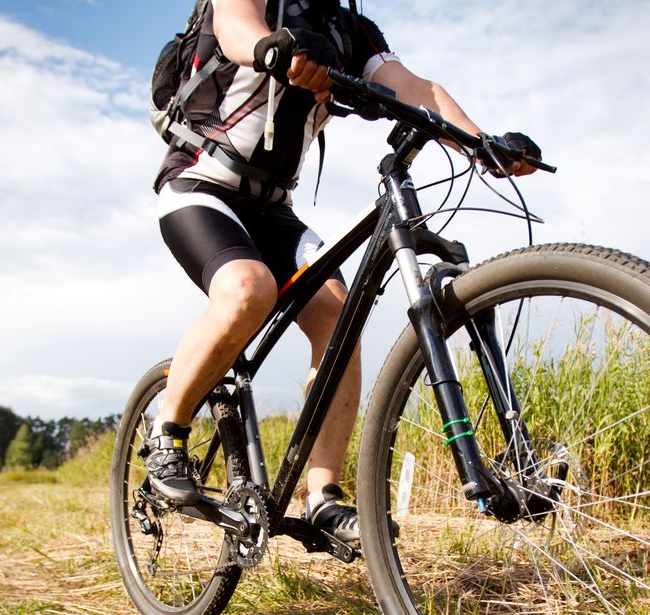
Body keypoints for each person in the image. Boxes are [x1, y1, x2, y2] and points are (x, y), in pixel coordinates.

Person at [146, 0, 540, 544]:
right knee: (246, 289)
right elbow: (237, 25)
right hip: (200, 183)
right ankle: (167, 431)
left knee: (338, 318)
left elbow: (413, 87)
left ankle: (322, 497)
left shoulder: (349, 28)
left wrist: (481, 142)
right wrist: (273, 48)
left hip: (274, 208)